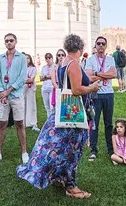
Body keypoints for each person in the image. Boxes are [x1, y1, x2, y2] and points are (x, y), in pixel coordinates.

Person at [17, 34, 100, 199]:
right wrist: (92, 87)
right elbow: (76, 90)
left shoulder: (64, 62)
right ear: (80, 48)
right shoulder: (74, 64)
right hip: (73, 114)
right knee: (72, 150)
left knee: (59, 148)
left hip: (63, 111)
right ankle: (71, 186)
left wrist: (90, 79)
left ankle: (58, 178)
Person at [0, 33, 28, 165]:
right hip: (2, 97)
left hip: (16, 95)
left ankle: (24, 152)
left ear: (15, 41)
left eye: (11, 40)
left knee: (20, 123)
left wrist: (8, 91)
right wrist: (1, 92)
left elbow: (22, 77)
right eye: (6, 41)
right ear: (4, 43)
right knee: (1, 123)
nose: (9, 42)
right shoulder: (0, 58)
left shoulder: (21, 57)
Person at [84, 35, 117, 161]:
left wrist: (97, 73)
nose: (101, 45)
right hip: (95, 94)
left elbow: (114, 74)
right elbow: (88, 78)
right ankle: (93, 150)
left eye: (103, 43)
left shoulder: (110, 59)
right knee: (94, 123)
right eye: (99, 43)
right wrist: (105, 75)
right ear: (95, 45)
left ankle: (111, 149)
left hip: (109, 94)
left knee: (109, 123)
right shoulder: (90, 60)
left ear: (106, 46)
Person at [24, 54, 39, 132]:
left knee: (31, 105)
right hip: (22, 89)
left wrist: (23, 80)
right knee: (23, 105)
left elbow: (31, 79)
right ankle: (24, 122)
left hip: (30, 89)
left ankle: (33, 123)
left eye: (28, 58)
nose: (26, 60)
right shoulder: (21, 68)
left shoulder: (33, 68)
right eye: (25, 58)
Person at [40, 52, 56, 118]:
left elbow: (55, 77)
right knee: (47, 106)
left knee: (52, 106)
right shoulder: (44, 67)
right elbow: (41, 78)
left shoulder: (55, 66)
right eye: (46, 58)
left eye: (49, 58)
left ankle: (53, 120)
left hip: (52, 88)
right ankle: (49, 119)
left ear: (52, 58)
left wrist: (46, 77)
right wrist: (48, 77)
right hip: (44, 88)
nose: (48, 59)